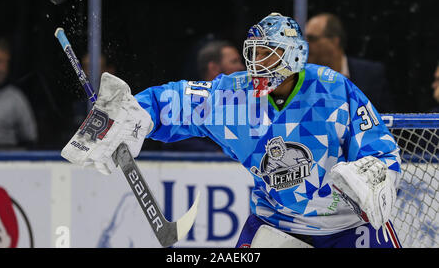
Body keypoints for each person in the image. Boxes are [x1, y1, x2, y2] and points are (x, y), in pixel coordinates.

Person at [62, 13, 403, 248]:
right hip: (278, 223)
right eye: (253, 54)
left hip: (350, 226)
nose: (257, 65)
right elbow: (178, 99)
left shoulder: (332, 89)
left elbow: (380, 149)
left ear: (293, 55)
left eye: (267, 55)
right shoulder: (233, 96)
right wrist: (132, 114)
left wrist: (374, 176)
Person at [161, 40, 245, 152]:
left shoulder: (247, 102)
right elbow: (174, 142)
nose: (242, 68)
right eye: (234, 62)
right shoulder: (187, 104)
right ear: (214, 68)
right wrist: (221, 154)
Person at [305, 13, 395, 113]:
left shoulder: (371, 75)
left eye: (312, 39)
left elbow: (388, 120)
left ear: (335, 41)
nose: (305, 45)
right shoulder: (301, 77)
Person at [0, 38, 37, 148]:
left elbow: (30, 140)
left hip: (7, 161)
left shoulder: (16, 98)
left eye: (6, 63)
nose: (2, 68)